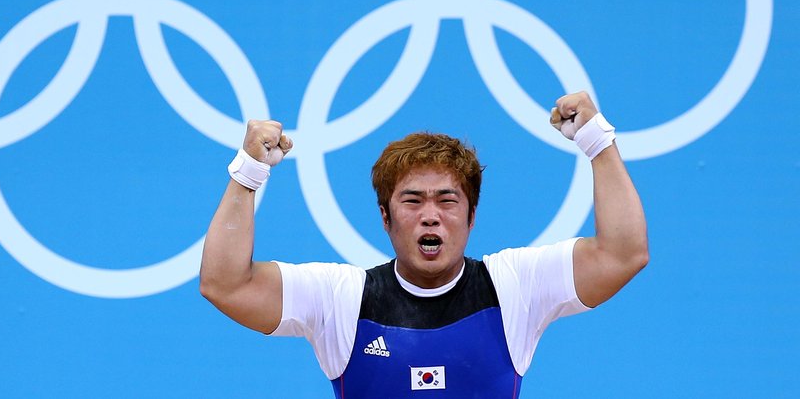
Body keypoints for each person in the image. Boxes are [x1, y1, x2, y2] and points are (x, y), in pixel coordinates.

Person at [199, 92, 648, 397]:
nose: (430, 214)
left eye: (447, 201)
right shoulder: (340, 297)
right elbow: (226, 285)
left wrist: (597, 140)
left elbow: (623, 253)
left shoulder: (514, 285)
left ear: (472, 217)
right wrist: (248, 172)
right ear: (385, 218)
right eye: (412, 201)